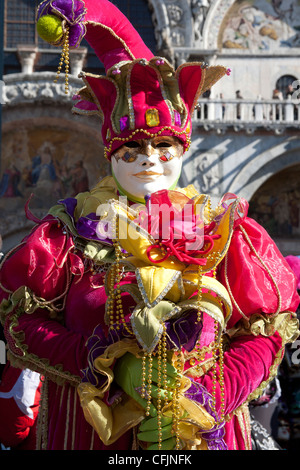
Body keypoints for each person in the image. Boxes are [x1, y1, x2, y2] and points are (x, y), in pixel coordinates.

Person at [0, 0, 299, 451]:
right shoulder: (70, 232)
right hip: (91, 433)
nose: (148, 159)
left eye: (164, 145)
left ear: (183, 150)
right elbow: (24, 325)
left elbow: (264, 334)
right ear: (108, 151)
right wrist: (98, 362)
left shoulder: (221, 228)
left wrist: (206, 398)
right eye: (131, 148)